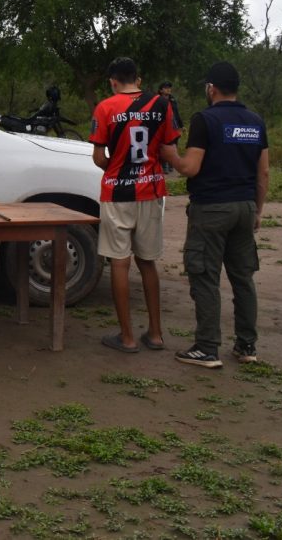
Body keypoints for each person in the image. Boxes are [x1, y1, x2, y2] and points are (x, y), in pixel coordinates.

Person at [162, 62, 269, 369]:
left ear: (212, 88)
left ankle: (207, 347)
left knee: (205, 276)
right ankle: (247, 346)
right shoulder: (255, 121)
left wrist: (171, 155)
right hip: (245, 207)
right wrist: (257, 211)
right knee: (243, 278)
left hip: (211, 210)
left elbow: (191, 168)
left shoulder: (204, 120)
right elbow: (263, 173)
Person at [90, 57, 181, 353]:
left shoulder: (105, 108)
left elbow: (99, 157)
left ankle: (127, 337)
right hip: (151, 190)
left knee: (119, 261)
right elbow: (169, 149)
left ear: (113, 81)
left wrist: (118, 170)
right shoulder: (162, 105)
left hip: (117, 193)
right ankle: (155, 334)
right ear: (138, 79)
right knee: (147, 261)